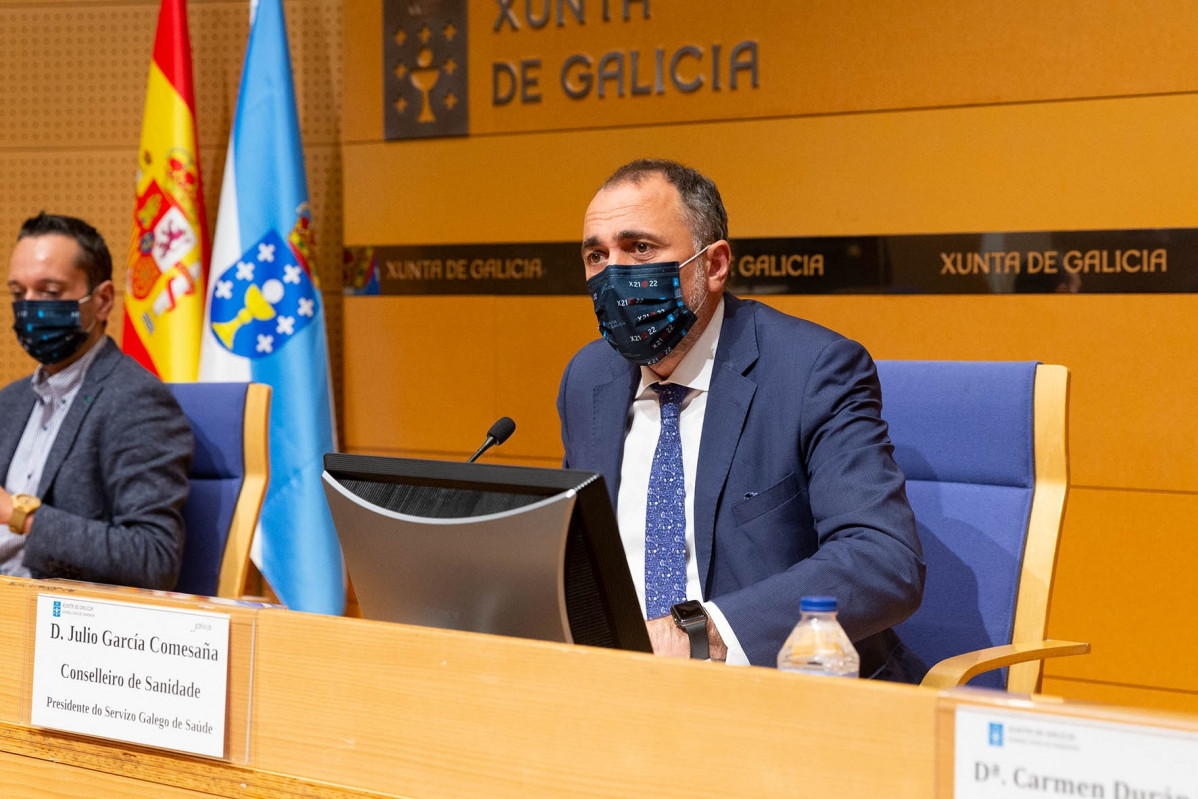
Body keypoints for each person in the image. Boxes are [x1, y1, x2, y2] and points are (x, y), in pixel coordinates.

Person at [557, 159, 926, 678]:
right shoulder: (588, 378)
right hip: (621, 688)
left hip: (780, 688)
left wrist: (702, 634)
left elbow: (883, 561)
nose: (614, 275)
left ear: (713, 265)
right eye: (597, 255)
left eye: (640, 248)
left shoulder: (812, 371)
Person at [1, 212, 192, 589]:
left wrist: (17, 514)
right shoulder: (10, 401)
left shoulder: (135, 400)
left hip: (59, 623)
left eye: (50, 292)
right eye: (18, 294)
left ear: (103, 300)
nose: (29, 308)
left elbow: (154, 557)